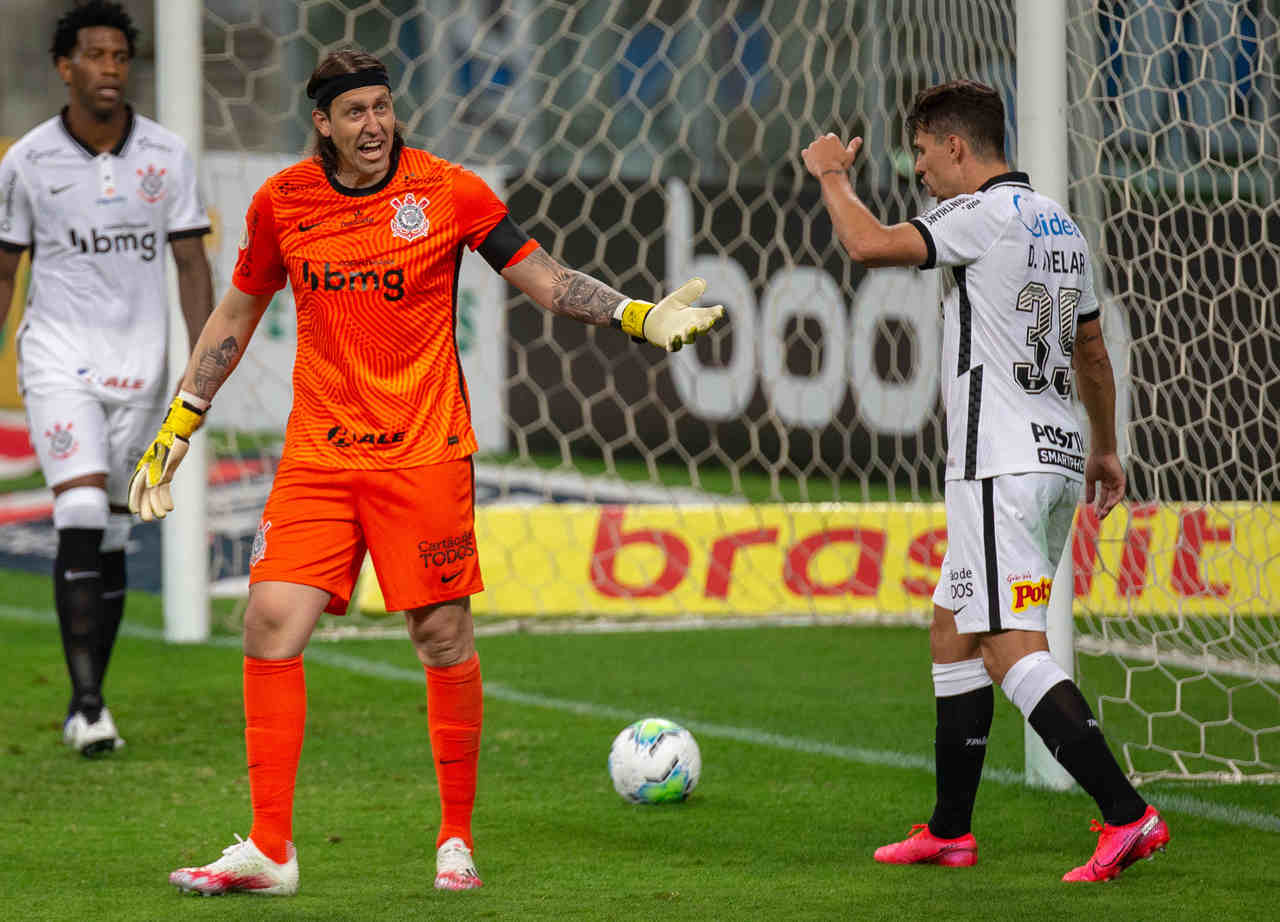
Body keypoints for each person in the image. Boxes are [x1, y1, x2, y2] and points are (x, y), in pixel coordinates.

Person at [130, 47, 724, 897]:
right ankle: (269, 850)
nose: (373, 125)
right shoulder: (282, 203)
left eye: (382, 107)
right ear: (323, 125)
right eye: (355, 113)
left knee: (441, 638)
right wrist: (184, 416)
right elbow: (238, 309)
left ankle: (454, 837)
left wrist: (635, 314)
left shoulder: (449, 190)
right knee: (269, 622)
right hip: (321, 455)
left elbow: (545, 280)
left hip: (425, 453)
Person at [802, 80, 1169, 883]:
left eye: (925, 153)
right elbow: (1094, 355)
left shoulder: (979, 215)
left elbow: (866, 245)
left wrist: (832, 175)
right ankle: (950, 831)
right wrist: (1106, 449)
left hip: (998, 461)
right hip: (1055, 455)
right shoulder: (1064, 228)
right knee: (953, 628)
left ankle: (1128, 815)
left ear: (958, 146)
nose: (921, 171)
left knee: (1011, 647)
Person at [0, 0, 213, 756]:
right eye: (95, 55)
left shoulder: (166, 156)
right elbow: (5, 271)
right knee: (84, 510)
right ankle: (90, 706)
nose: (110, 68)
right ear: (65, 66)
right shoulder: (25, 161)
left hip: (144, 368)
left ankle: (87, 692)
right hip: (57, 359)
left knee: (117, 533)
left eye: (121, 56)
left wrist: (200, 366)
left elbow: (191, 262)